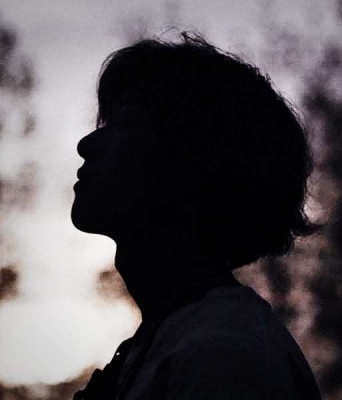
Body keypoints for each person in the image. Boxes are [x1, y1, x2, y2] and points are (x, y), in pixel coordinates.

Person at [71, 33, 321, 400]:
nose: (87, 144)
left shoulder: (223, 354)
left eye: (125, 125)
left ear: (193, 164)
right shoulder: (175, 341)